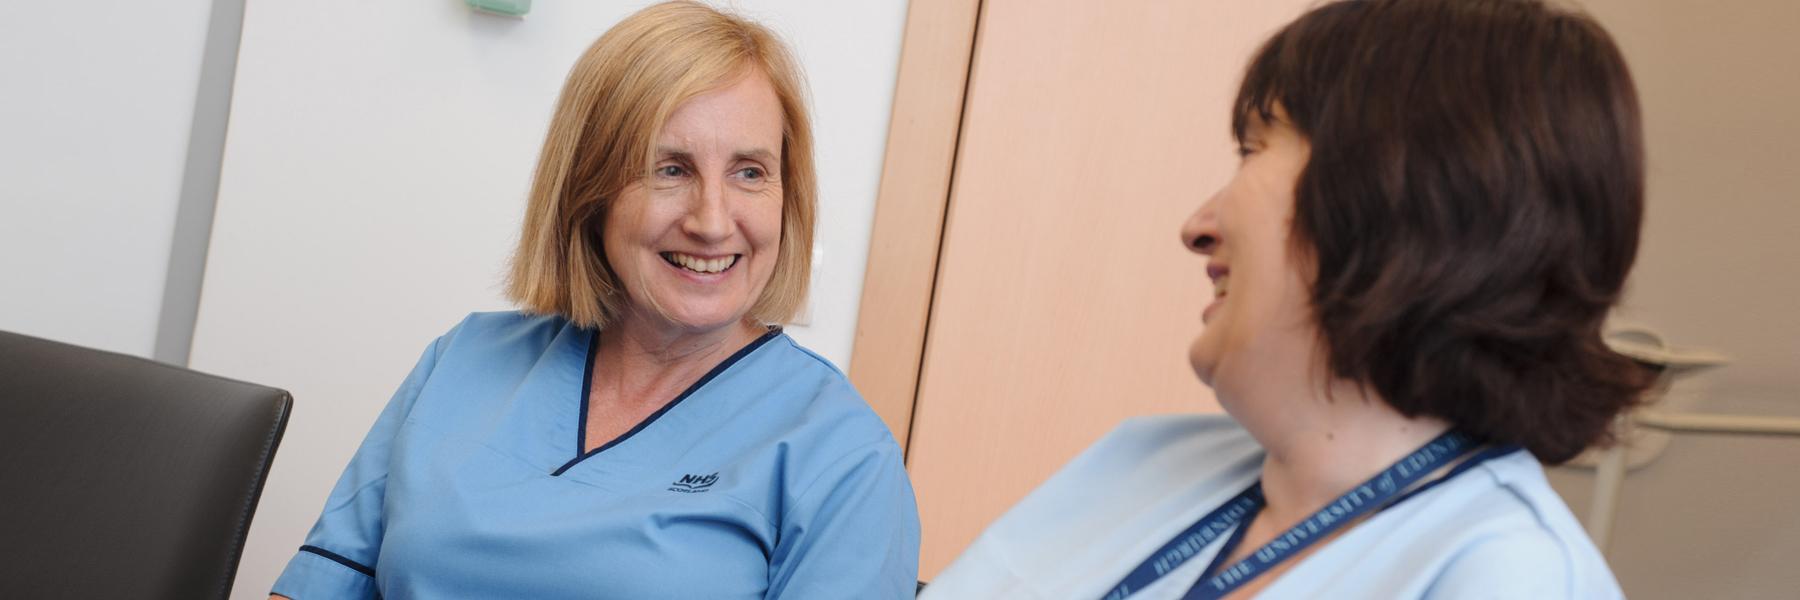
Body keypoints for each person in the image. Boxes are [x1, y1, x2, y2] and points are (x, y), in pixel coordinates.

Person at [922, 0, 1650, 598]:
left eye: (1253, 149)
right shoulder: (1145, 461)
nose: (1197, 227)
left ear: (1393, 190)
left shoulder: (1512, 577)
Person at [269, 2, 919, 598]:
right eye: (670, 168)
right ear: (590, 188)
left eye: (750, 172)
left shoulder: (843, 457)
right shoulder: (463, 359)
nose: (713, 221)